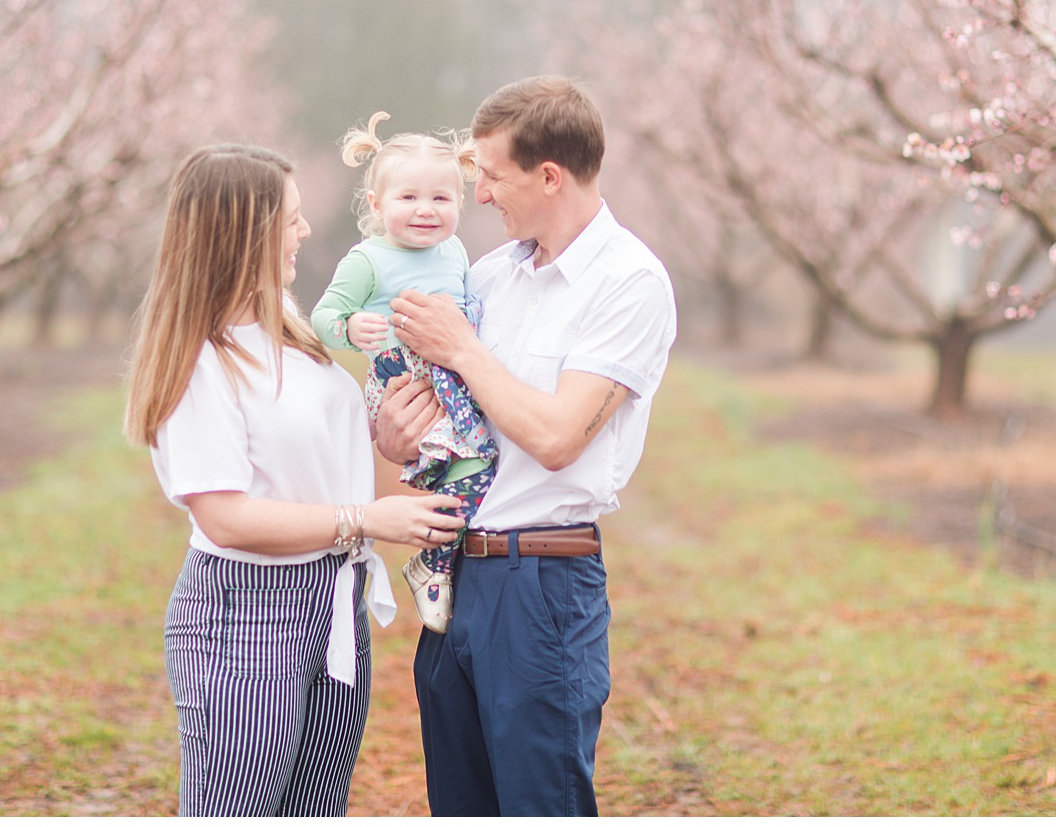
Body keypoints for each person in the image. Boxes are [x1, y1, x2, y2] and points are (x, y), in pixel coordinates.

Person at [122, 143, 460, 817]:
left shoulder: (290, 329)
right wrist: (364, 521)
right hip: (245, 614)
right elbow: (224, 515)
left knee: (315, 809)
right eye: (292, 219)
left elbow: (317, 462)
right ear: (245, 233)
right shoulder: (203, 358)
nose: (304, 232)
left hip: (332, 604)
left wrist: (386, 442)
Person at [374, 75, 678, 817]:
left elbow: (555, 437)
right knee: (461, 804)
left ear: (549, 176)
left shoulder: (629, 283)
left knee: (540, 803)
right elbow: (423, 438)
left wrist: (465, 348)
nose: (476, 196)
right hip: (455, 577)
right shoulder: (488, 276)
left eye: (490, 175)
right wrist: (394, 431)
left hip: (542, 587)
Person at [309, 112, 497, 635]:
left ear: (460, 202)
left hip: (453, 380)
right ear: (376, 205)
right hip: (401, 379)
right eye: (408, 198)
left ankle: (434, 562)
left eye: (441, 198)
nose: (425, 210)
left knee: (478, 471)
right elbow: (324, 316)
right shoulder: (368, 260)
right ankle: (435, 564)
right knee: (467, 467)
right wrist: (353, 327)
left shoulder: (456, 251)